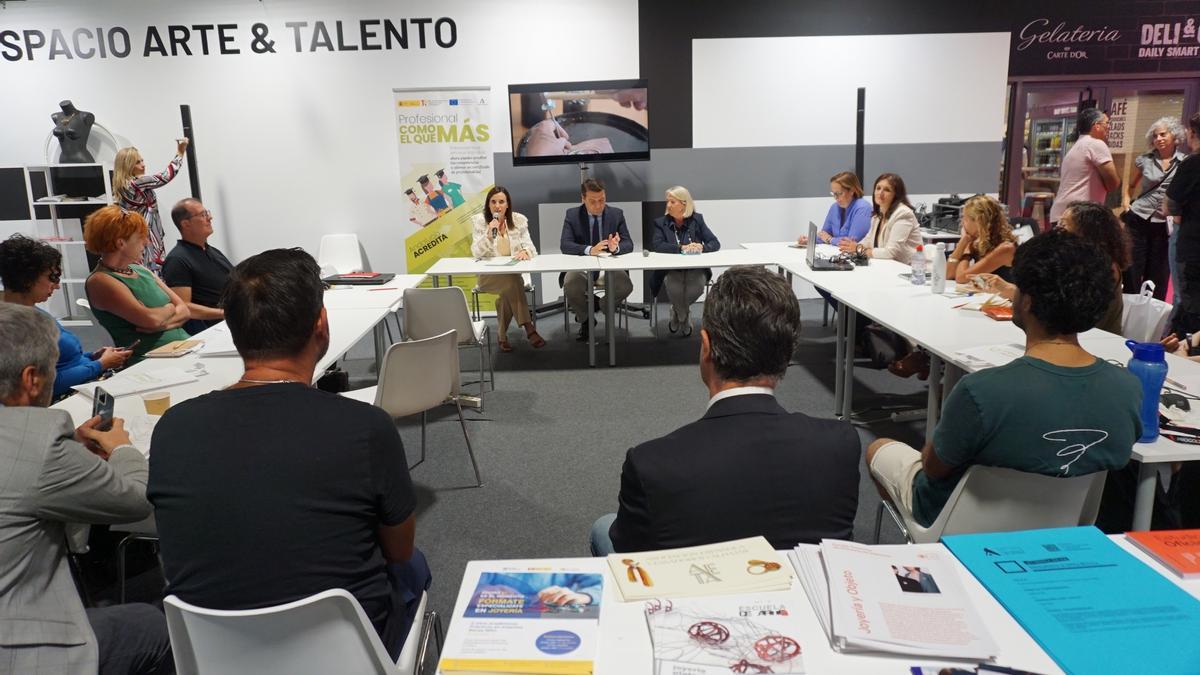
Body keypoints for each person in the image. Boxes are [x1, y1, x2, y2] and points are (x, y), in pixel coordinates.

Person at [148, 248, 429, 659]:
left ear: (232, 328)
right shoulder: (366, 427)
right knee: (414, 566)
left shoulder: (171, 428)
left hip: (218, 658)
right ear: (321, 324)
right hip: (347, 659)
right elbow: (399, 550)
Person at [866, 229, 1141, 530]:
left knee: (877, 448)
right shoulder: (1127, 390)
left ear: (1027, 301)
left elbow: (933, 468)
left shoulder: (981, 392)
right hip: (1065, 528)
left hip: (956, 528)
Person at [591, 266, 860, 554]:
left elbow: (629, 554)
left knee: (603, 527)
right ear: (788, 351)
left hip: (693, 593)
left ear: (705, 348)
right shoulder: (840, 444)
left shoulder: (651, 465)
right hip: (803, 595)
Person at [0, 303, 173, 675]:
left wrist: (73, 453)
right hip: (21, 650)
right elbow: (135, 501)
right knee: (152, 626)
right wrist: (122, 447)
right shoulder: (40, 441)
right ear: (32, 379)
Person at [0, 234, 130, 398]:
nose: (57, 286)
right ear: (27, 279)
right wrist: (100, 364)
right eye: (52, 278)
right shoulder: (15, 326)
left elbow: (60, 363)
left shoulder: (32, 313)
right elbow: (45, 384)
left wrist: (91, 357)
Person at [979, 201, 1129, 336]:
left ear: (1086, 232)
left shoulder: (1104, 268)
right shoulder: (1074, 262)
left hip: (1096, 341)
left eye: (1063, 225)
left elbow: (1067, 312)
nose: (1057, 230)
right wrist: (1008, 288)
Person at [83, 206, 191, 363]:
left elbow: (185, 310)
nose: (146, 242)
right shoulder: (100, 281)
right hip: (150, 360)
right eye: (140, 237)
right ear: (121, 243)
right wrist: (169, 308)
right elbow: (150, 320)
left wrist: (161, 324)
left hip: (182, 349)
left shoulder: (139, 269)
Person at [470, 186, 546, 351]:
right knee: (513, 281)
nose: (497, 206)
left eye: (501, 202)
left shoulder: (518, 220)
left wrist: (526, 251)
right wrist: (489, 235)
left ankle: (501, 335)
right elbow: (476, 252)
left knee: (508, 291)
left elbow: (532, 248)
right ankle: (528, 326)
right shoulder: (480, 221)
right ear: (488, 205)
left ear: (507, 204)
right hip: (489, 277)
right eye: (493, 202)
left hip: (512, 276)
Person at [1122, 117, 1187, 300]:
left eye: (1163, 134)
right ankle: (1130, 307)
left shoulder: (1184, 163)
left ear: (1174, 136)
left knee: (1158, 271)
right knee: (1133, 267)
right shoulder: (1144, 160)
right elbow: (1130, 185)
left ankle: (1154, 313)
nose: (1159, 138)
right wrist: (1127, 203)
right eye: (1155, 135)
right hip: (1138, 218)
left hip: (1164, 223)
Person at [560, 178, 634, 341]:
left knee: (626, 286)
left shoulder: (616, 214)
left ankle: (601, 305)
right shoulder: (572, 215)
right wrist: (589, 250)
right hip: (583, 266)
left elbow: (629, 243)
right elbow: (565, 244)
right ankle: (586, 320)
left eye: (602, 200)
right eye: (593, 201)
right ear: (583, 199)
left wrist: (616, 248)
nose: (598, 205)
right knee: (570, 283)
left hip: (609, 266)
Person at [648, 185, 721, 336]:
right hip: (672, 269)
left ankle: (677, 311)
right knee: (675, 290)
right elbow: (658, 245)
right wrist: (681, 248)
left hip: (696, 269)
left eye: (672, 202)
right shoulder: (661, 223)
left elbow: (714, 243)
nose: (668, 205)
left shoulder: (697, 220)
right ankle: (684, 316)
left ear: (684, 204)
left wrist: (701, 247)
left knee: (696, 289)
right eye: (667, 201)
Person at [112, 140, 189, 274]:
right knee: (153, 272)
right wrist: (180, 152)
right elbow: (166, 176)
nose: (143, 165)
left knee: (142, 269)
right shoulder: (138, 183)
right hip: (148, 235)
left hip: (135, 234)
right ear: (127, 165)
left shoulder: (123, 187)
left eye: (142, 160)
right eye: (137, 162)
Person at [162, 198, 233, 334]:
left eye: (207, 213)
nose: (210, 217)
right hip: (214, 329)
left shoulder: (211, 251)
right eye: (203, 215)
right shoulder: (177, 260)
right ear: (186, 224)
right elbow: (183, 306)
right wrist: (225, 313)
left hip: (234, 319)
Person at [1049, 108, 1119, 226]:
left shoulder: (1076, 146)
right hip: (1079, 217)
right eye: (1107, 123)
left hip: (1062, 214)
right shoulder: (1096, 144)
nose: (1109, 127)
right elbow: (1113, 183)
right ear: (1096, 125)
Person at [838, 172, 921, 263]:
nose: (880, 193)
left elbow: (891, 252)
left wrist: (858, 249)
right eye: (878, 188)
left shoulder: (903, 213)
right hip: (890, 266)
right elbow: (869, 240)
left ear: (896, 195)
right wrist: (853, 247)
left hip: (911, 270)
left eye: (887, 190)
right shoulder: (878, 215)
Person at [1168, 112, 1200, 338]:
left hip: (1193, 248)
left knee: (1188, 303)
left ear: (1192, 133)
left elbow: (1170, 206)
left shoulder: (1193, 163)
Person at [945, 195, 1017, 284]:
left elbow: (962, 278)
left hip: (1005, 297)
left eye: (965, 218)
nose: (962, 222)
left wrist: (966, 252)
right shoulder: (981, 242)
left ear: (979, 222)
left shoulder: (1005, 248)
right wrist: (963, 243)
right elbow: (948, 274)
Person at [797, 171, 873, 246]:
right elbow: (825, 234)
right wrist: (811, 239)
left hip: (854, 256)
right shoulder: (835, 207)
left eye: (839, 193)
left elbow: (852, 242)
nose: (835, 198)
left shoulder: (863, 208)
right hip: (837, 254)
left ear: (852, 191)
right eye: (833, 194)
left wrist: (830, 240)